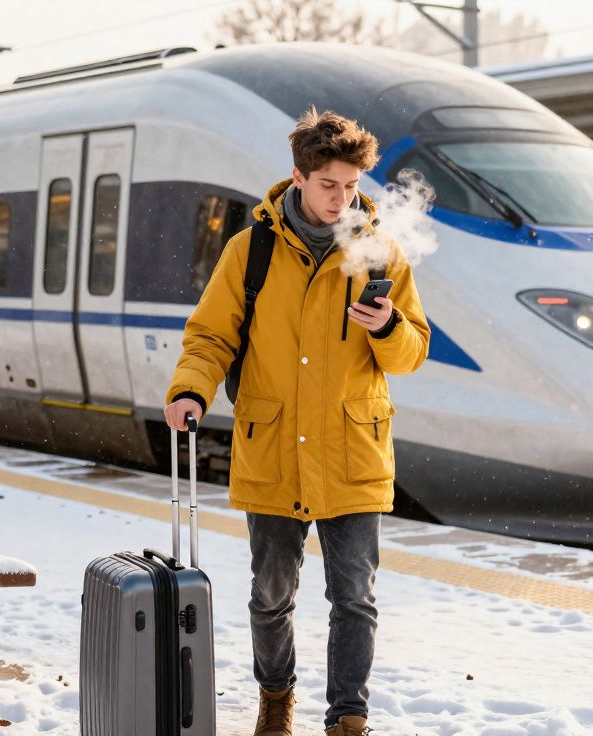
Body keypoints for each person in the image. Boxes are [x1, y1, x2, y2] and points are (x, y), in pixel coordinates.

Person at [163, 107, 431, 736]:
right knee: (270, 596)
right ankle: (276, 698)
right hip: (275, 443)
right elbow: (209, 337)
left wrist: (388, 328)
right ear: (298, 177)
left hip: (352, 449)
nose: (342, 199)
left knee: (354, 600)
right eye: (328, 185)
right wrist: (190, 391)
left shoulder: (381, 252)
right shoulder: (250, 249)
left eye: (351, 186)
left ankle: (347, 718)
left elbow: (415, 349)